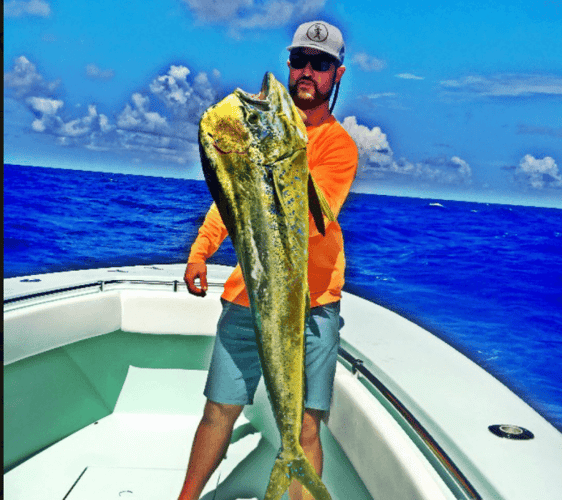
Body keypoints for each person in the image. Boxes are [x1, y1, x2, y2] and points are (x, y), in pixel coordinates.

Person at [178, 20, 358, 500]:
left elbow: (314, 215)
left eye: (320, 64)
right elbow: (234, 203)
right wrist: (201, 251)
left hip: (312, 305)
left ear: (336, 75)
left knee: (303, 429)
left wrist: (280, 153)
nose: (307, 71)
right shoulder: (268, 137)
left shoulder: (337, 147)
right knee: (219, 410)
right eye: (299, 60)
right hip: (249, 294)